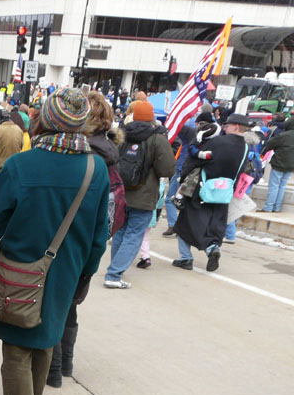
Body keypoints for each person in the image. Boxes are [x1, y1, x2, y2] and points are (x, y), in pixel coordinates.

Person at [0, 88, 110, 395]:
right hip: (68, 268)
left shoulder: (23, 164)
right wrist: (86, 271)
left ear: (47, 119)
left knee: (17, 347)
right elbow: (100, 232)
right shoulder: (95, 167)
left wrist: (16, 235)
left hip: (22, 264)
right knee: (46, 337)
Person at [47, 90, 123, 389]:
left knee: (52, 304)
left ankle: (53, 370)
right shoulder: (110, 152)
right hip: (87, 241)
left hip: (63, 237)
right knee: (70, 304)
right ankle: (65, 363)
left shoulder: (83, 154)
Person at [103, 100, 175, 289]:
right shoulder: (158, 138)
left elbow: (108, 154)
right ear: (152, 117)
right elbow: (167, 169)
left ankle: (115, 269)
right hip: (144, 195)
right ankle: (114, 274)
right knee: (134, 235)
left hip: (120, 192)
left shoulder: (120, 132)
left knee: (120, 231)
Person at [172, 114, 250, 272]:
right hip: (224, 192)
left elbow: (196, 160)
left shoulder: (217, 142)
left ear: (235, 126)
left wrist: (183, 178)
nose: (224, 128)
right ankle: (212, 248)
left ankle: (186, 258)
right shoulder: (246, 147)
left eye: (227, 126)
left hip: (203, 189)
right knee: (214, 225)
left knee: (186, 222)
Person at [259, 116, 294, 213]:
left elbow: (270, 143)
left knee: (274, 186)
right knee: (282, 186)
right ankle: (277, 208)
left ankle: (268, 207)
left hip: (279, 163)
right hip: (291, 165)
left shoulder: (284, 135)